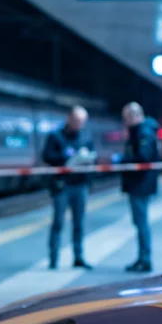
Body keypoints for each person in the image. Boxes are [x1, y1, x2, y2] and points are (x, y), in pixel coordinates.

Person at [41, 106, 94, 269]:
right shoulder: (55, 137)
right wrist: (65, 157)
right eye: (78, 121)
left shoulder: (85, 138)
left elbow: (93, 157)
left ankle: (78, 257)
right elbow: (46, 156)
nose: (80, 124)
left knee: (79, 223)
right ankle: (53, 258)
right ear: (69, 119)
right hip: (62, 186)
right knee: (58, 222)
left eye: (82, 121)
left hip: (80, 185)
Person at [119, 102, 159, 272]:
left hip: (140, 184)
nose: (125, 123)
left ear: (134, 116)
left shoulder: (144, 132)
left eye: (126, 119)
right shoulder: (142, 131)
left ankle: (145, 259)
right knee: (140, 222)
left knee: (141, 223)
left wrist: (122, 161)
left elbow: (143, 157)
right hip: (139, 184)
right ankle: (142, 258)